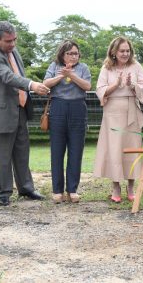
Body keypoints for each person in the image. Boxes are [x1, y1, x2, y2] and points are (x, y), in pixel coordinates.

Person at [0, 21, 50, 206]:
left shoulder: (13, 51)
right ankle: (4, 193)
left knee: (22, 151)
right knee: (2, 155)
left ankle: (26, 188)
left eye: (14, 40)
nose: (12, 44)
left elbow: (18, 72)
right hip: (1, 112)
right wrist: (32, 85)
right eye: (8, 41)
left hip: (20, 108)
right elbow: (8, 76)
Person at [94, 36, 143, 203]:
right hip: (112, 113)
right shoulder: (106, 68)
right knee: (114, 148)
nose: (125, 53)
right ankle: (115, 186)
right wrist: (116, 85)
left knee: (132, 148)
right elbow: (100, 90)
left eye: (127, 50)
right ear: (114, 52)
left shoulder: (136, 66)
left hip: (131, 110)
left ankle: (131, 186)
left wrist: (132, 85)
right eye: (122, 51)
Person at [43, 40, 91, 203]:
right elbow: (46, 83)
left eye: (75, 53)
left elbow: (87, 86)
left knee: (76, 150)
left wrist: (72, 75)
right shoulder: (54, 66)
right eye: (69, 53)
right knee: (57, 150)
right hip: (58, 107)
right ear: (62, 54)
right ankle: (57, 190)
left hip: (78, 107)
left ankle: (72, 189)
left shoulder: (83, 68)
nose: (73, 56)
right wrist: (62, 75)